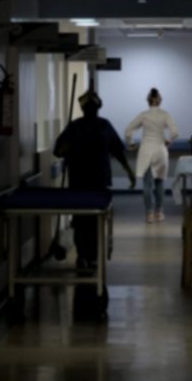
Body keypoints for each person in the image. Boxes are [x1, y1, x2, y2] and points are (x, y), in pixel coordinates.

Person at [54, 89, 135, 268]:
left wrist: (129, 170)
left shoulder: (80, 126)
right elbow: (58, 151)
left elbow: (117, 149)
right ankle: (87, 256)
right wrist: (128, 170)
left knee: (86, 220)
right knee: (87, 220)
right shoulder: (89, 126)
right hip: (88, 181)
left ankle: (86, 255)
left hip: (88, 181)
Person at [125, 88, 179, 223]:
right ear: (160, 100)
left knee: (147, 185)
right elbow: (175, 133)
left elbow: (128, 130)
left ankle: (149, 214)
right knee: (159, 184)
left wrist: (131, 144)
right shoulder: (165, 114)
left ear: (148, 101)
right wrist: (168, 141)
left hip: (146, 151)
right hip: (160, 151)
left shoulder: (144, 115)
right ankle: (159, 212)